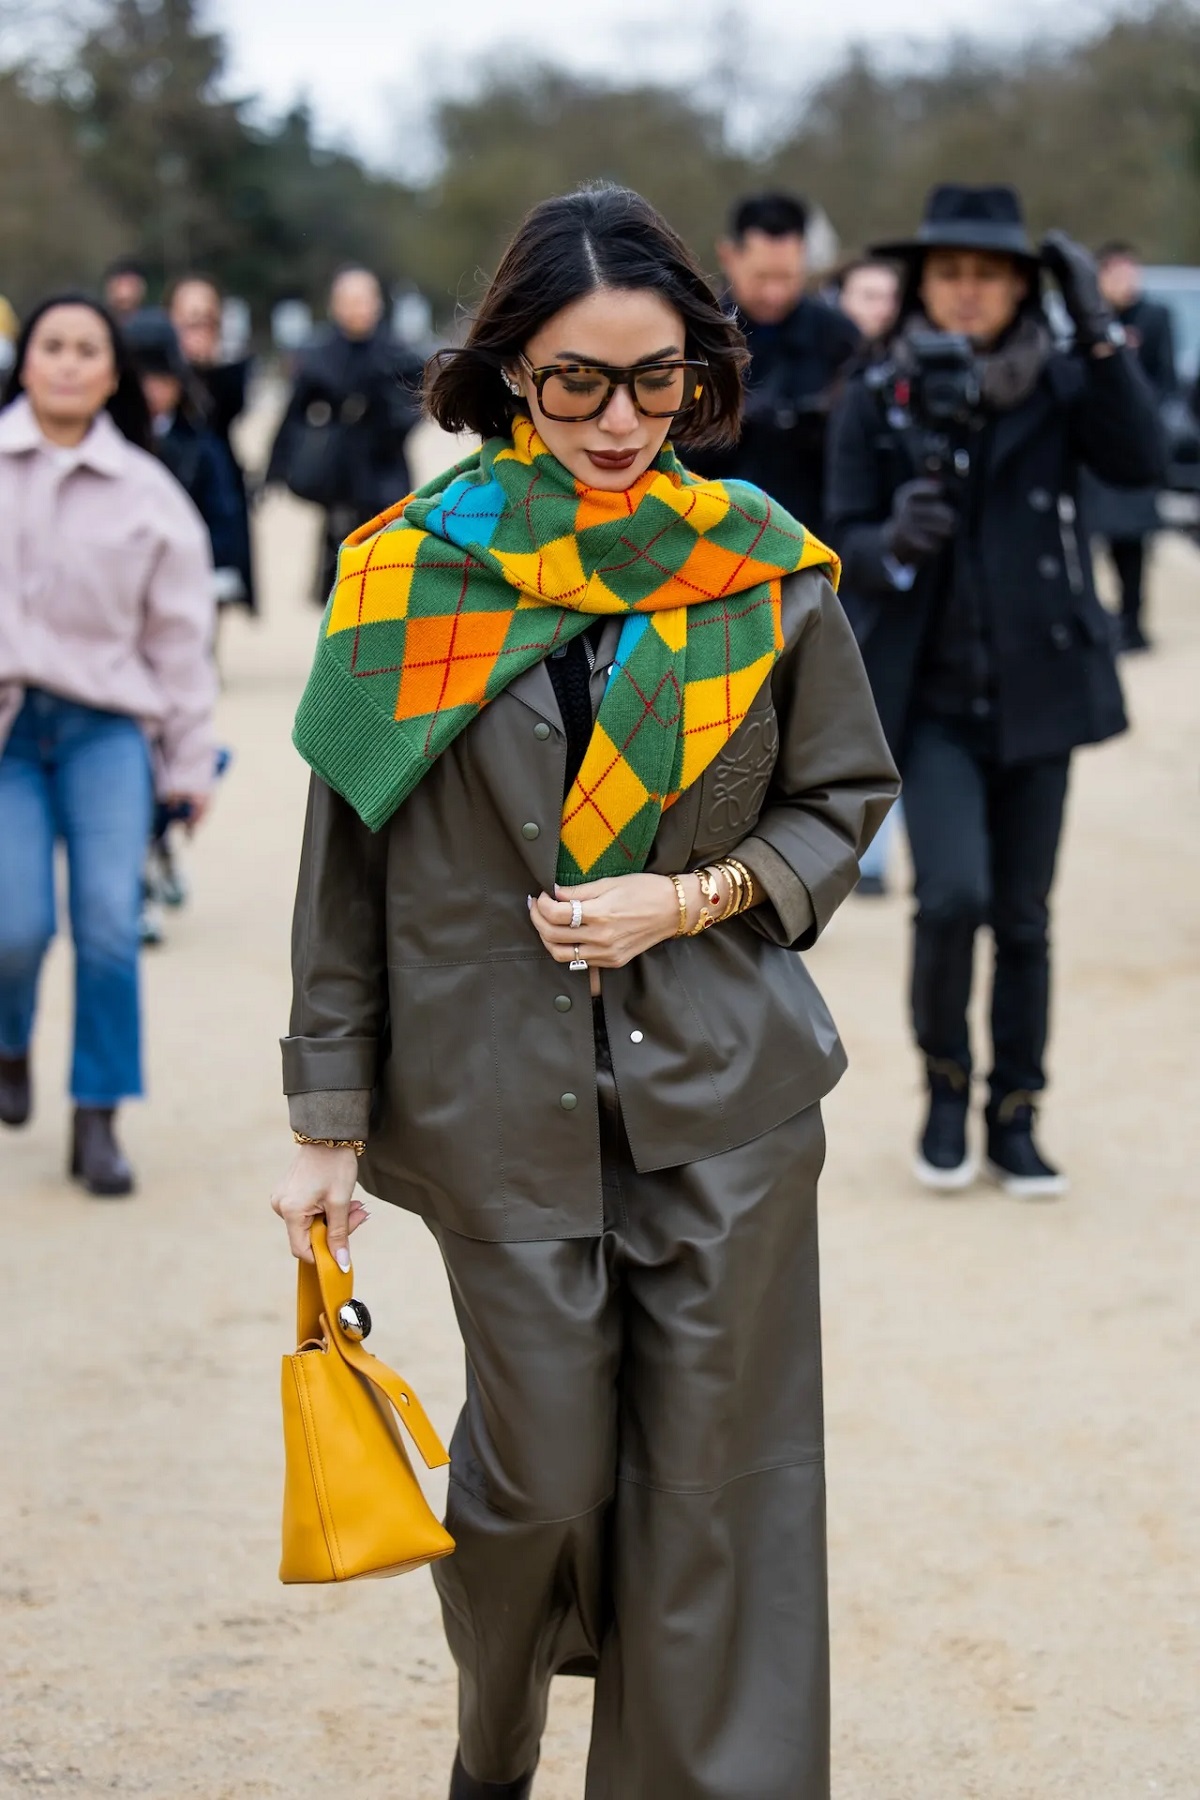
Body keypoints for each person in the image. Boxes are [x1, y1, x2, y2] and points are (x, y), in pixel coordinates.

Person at [271, 184, 898, 1800]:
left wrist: (690, 897)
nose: (621, 422)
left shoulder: (761, 572)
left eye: (658, 379)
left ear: (700, 374)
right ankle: (499, 1733)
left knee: (713, 1505)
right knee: (535, 1488)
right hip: (492, 1114)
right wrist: (323, 1124)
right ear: (507, 376)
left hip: (727, 1106)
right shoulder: (404, 580)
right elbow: (343, 875)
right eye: (575, 381)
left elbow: (841, 799)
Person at [826, 184, 1163, 1198]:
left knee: (1024, 915)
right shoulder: (874, 389)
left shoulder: (1061, 380)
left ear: (1023, 286)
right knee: (954, 897)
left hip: (1041, 689)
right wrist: (891, 542)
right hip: (928, 698)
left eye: (990, 274)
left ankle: (1016, 1112)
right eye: (950, 274)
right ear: (922, 285)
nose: (968, 293)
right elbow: (834, 539)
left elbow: (1142, 459)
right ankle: (943, 1092)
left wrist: (1097, 329)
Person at [0, 295, 216, 1193]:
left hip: (106, 735)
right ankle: (9, 1039)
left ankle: (98, 1118)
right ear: (25, 361)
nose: (67, 364)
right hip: (9, 733)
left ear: (112, 374)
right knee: (14, 927)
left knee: (108, 930)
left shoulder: (149, 495)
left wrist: (189, 763)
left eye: (88, 350)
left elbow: (179, 641)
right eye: (52, 346)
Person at [686, 191, 860, 534]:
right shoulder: (694, 334)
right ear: (728, 255)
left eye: (787, 278)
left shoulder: (839, 338)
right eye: (762, 278)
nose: (774, 294)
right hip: (711, 530)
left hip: (813, 533)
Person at [266, 264, 425, 603]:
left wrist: (388, 416)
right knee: (341, 566)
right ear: (335, 305)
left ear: (377, 303)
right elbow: (294, 413)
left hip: (385, 467)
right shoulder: (318, 356)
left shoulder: (398, 353)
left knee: (390, 564)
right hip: (338, 471)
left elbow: (417, 406)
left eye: (363, 300)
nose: (356, 309)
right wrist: (279, 466)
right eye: (348, 301)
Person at [831, 256, 903, 894]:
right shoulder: (838, 366)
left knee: (880, 715)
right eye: (865, 293)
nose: (877, 305)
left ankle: (872, 861)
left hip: (879, 570)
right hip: (823, 551)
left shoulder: (911, 373)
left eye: (888, 294)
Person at [1083, 241, 1178, 653]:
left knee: (1134, 542)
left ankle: (1134, 621)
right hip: (1097, 444)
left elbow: (1166, 380)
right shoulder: (1087, 321)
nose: (1126, 283)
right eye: (1117, 274)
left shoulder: (1155, 317)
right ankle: (1103, 620)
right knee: (1092, 539)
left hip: (1137, 443)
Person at [168, 273, 257, 612]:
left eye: (206, 315)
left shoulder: (226, 370)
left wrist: (212, 364)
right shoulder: (158, 369)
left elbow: (230, 413)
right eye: (189, 315)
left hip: (217, 491)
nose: (198, 324)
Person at [834, 257, 900, 344]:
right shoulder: (818, 351)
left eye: (892, 298)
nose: (885, 308)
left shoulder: (903, 350)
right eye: (871, 296)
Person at [102, 256, 149, 323]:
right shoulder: (98, 320)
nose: (124, 291)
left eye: (130, 284)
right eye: (120, 283)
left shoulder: (153, 323)